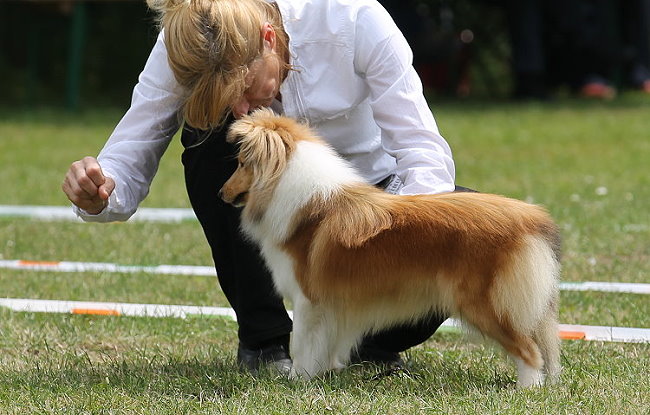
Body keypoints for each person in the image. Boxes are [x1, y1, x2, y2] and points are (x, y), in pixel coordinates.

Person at [62, 0, 457, 373]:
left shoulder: (354, 17)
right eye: (225, 100)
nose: (239, 110)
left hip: (370, 198)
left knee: (458, 227)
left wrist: (404, 237)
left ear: (269, 38)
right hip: (275, 206)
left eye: (246, 88)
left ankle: (368, 340)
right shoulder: (187, 36)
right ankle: (265, 341)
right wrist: (100, 190)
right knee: (207, 142)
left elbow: (421, 151)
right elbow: (135, 143)